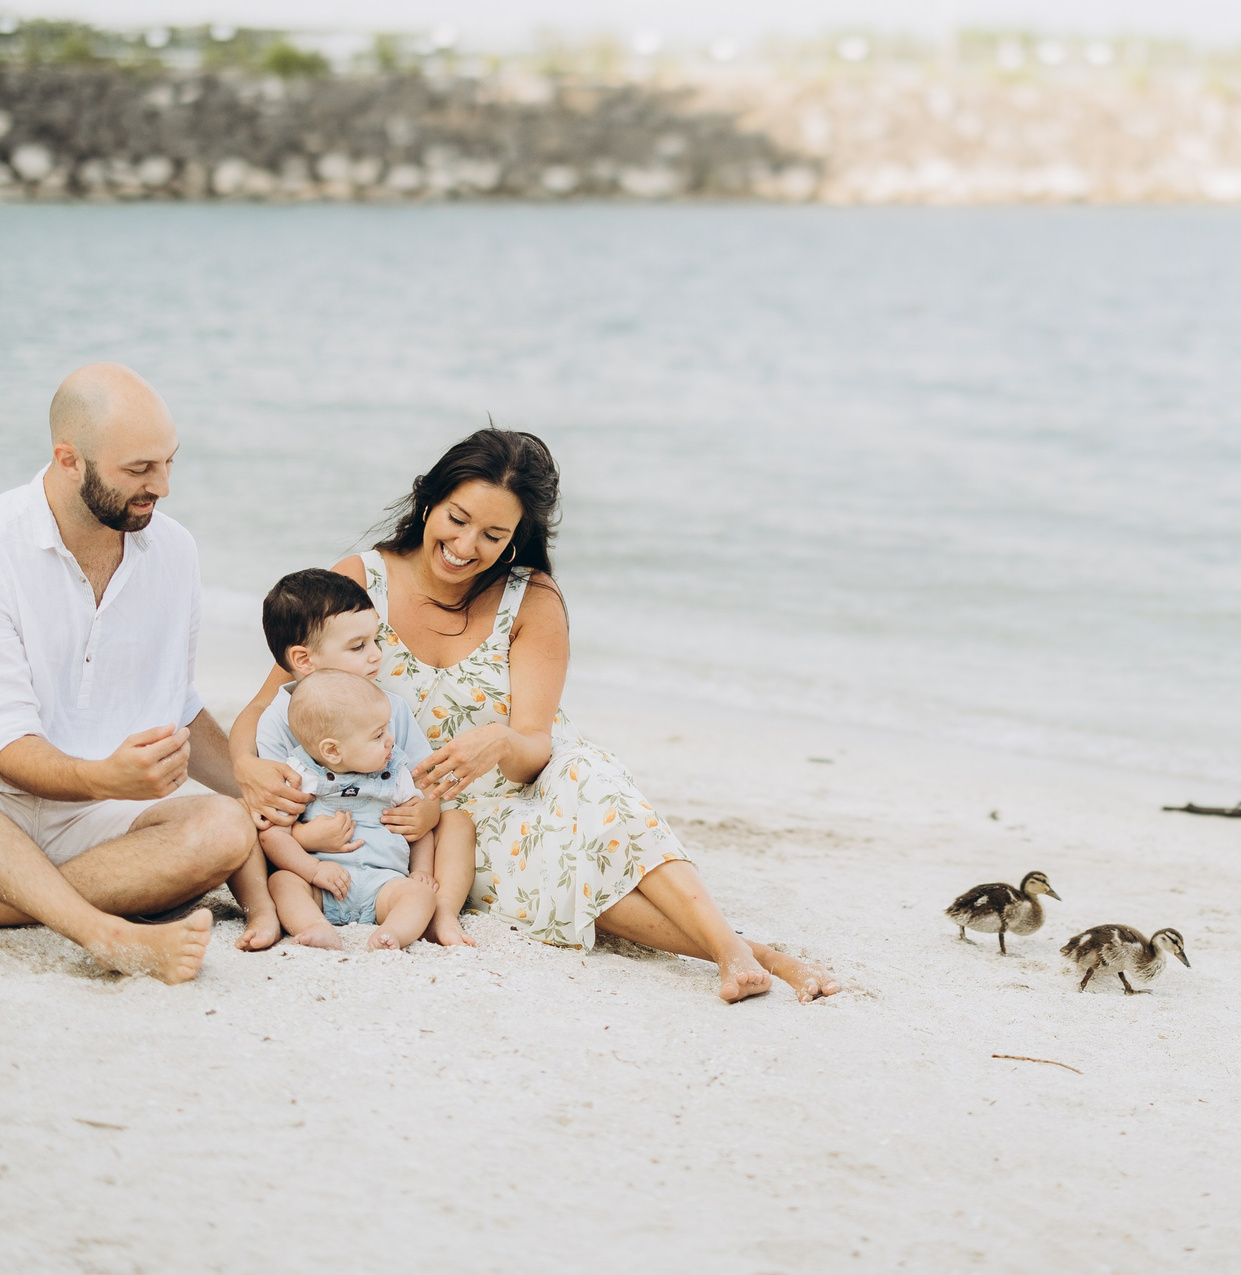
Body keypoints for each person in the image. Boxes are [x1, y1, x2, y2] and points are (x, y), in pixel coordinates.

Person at [233, 427, 840, 1003]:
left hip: (529, 779)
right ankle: (751, 956)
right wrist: (246, 768)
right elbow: (271, 703)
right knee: (568, 881)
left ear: (517, 537)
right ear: (428, 501)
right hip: (445, 821)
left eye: (494, 536)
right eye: (458, 519)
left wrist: (497, 742)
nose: (466, 547)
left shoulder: (532, 598)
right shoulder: (360, 582)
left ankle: (736, 953)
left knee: (601, 790)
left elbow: (534, 748)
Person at [0, 363, 266, 983]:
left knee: (225, 826)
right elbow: (2, 749)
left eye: (168, 464)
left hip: (101, 830)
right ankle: (101, 931)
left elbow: (179, 705)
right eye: (138, 470)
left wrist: (254, 786)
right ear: (69, 459)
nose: (161, 487)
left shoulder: (174, 551)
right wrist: (105, 775)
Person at [246, 568, 476, 946]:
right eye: (358, 646)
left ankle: (442, 913)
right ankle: (308, 925)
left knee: (458, 823)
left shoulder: (391, 709)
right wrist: (307, 841)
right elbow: (276, 810)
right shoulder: (277, 720)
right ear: (304, 659)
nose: (376, 655)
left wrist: (427, 814)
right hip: (316, 872)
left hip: (387, 872)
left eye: (375, 640)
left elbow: (424, 784)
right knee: (279, 876)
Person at [256, 671, 442, 951]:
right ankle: (314, 926)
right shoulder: (301, 776)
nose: (390, 740)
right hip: (320, 887)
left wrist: (421, 870)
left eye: (387, 729)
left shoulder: (395, 775)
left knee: (421, 895)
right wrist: (313, 870)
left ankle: (392, 932)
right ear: (332, 751)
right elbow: (274, 835)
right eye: (378, 734)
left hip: (384, 885)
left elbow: (419, 828)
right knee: (282, 882)